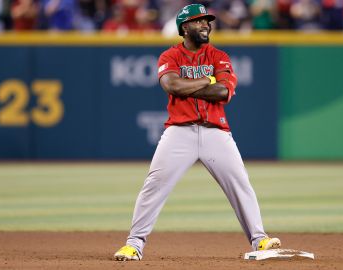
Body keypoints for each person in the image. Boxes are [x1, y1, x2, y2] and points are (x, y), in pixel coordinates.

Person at [113, 3, 281, 261]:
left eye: (207, 20)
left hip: (216, 132)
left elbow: (224, 92)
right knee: (154, 186)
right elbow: (171, 86)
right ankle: (133, 244)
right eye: (199, 21)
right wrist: (207, 80)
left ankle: (259, 240)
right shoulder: (169, 57)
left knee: (241, 184)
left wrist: (190, 85)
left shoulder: (219, 56)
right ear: (184, 27)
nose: (206, 24)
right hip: (179, 132)